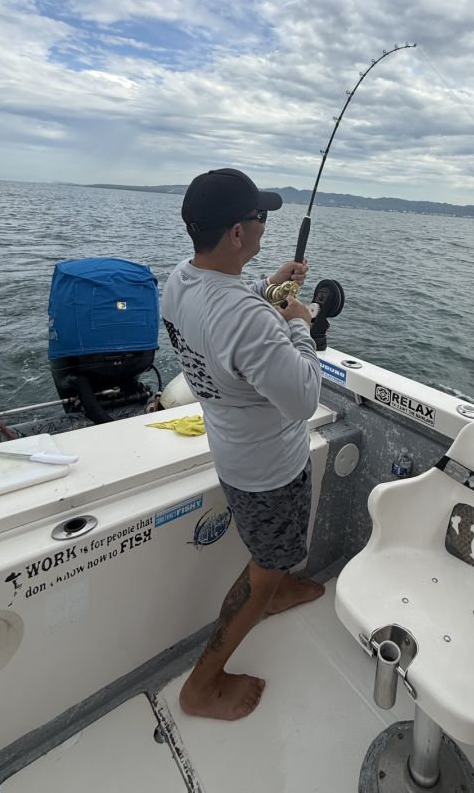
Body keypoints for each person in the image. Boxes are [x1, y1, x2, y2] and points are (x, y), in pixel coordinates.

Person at [161, 167, 324, 721]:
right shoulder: (249, 321)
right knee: (266, 566)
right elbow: (303, 397)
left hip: (234, 451)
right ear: (236, 232)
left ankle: (279, 587)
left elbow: (231, 309)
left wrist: (272, 286)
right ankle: (201, 684)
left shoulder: (180, 280)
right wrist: (298, 321)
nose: (264, 226)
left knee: (277, 550)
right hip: (269, 470)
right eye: (259, 218)